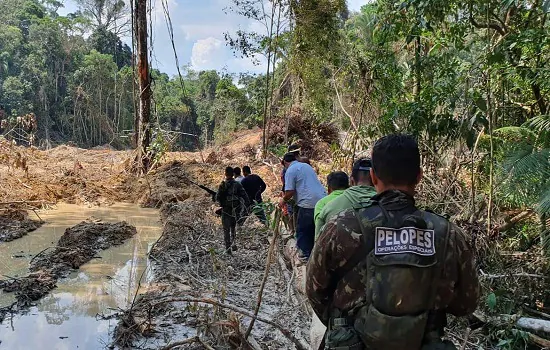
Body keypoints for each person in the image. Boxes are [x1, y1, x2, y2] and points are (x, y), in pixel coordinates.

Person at [306, 134, 480, 350]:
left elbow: (315, 289)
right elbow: (467, 303)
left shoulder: (341, 226)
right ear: (418, 176)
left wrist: (343, 324)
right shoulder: (448, 235)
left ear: (373, 176)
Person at [314, 158, 377, 240]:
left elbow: (318, 244)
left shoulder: (327, 208)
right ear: (375, 179)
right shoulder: (392, 204)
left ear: (351, 181)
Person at [280, 152, 326, 261]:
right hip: (322, 200)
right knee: (317, 228)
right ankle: (318, 253)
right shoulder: (306, 166)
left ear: (285, 162)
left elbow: (290, 191)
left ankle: (305, 254)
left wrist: (283, 200)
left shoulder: (290, 170)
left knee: (303, 228)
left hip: (307, 202)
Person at [216, 166, 250, 254]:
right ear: (233, 174)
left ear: (225, 174)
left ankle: (228, 248)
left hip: (225, 210)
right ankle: (234, 243)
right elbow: (245, 196)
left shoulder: (222, 185)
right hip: (235, 210)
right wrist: (246, 207)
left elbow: (217, 198)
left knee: (226, 230)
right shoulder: (237, 184)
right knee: (233, 228)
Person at [314, 171, 349, 239]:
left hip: (330, 243)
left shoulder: (322, 203)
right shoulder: (355, 199)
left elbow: (319, 228)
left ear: (329, 188)